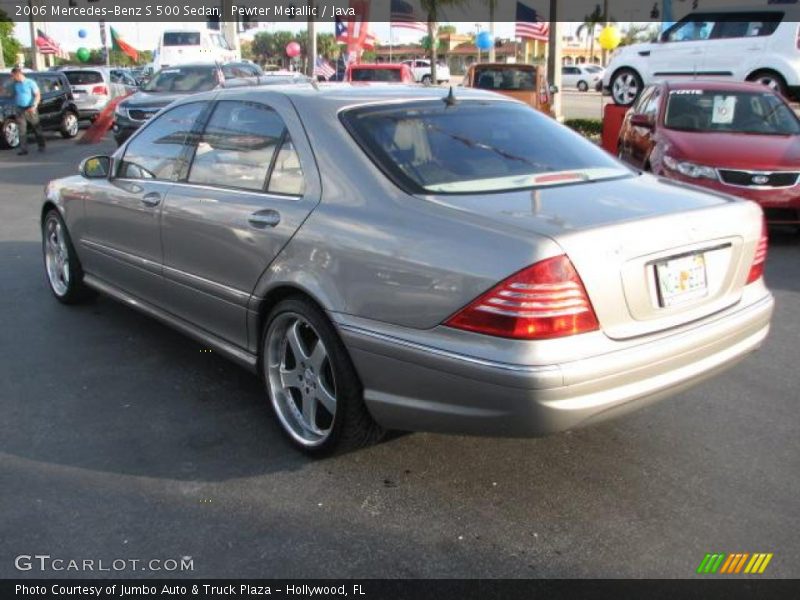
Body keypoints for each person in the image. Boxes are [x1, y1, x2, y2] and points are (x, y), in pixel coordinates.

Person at [9, 67, 46, 155]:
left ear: (18, 75)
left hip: (30, 108)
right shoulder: (15, 84)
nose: (12, 78)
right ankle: (23, 149)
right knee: (22, 129)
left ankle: (41, 145)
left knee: (36, 127)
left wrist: (34, 105)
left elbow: (37, 95)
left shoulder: (30, 83)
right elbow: (10, 94)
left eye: (13, 76)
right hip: (20, 108)